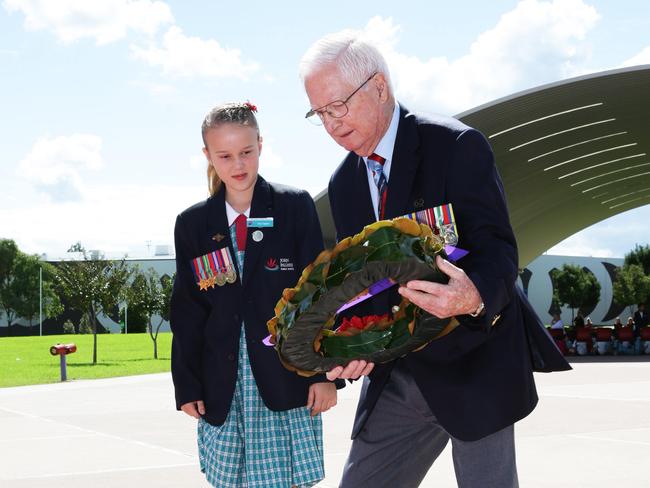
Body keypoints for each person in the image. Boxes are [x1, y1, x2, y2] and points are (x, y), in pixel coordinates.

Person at [300, 31, 568, 488]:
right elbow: (368, 286)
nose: (331, 124)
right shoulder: (344, 184)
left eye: (338, 105)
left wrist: (473, 297)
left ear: (379, 87)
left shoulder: (454, 147)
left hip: (474, 362)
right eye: (319, 113)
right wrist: (347, 348)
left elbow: (500, 250)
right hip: (399, 375)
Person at [170, 102, 339, 488]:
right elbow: (187, 312)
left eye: (246, 151)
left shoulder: (294, 206)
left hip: (287, 378)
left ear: (261, 144)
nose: (238, 164)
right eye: (225, 155)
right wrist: (188, 385)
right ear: (208, 156)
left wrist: (324, 374)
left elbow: (319, 296)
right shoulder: (193, 224)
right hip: (223, 387)